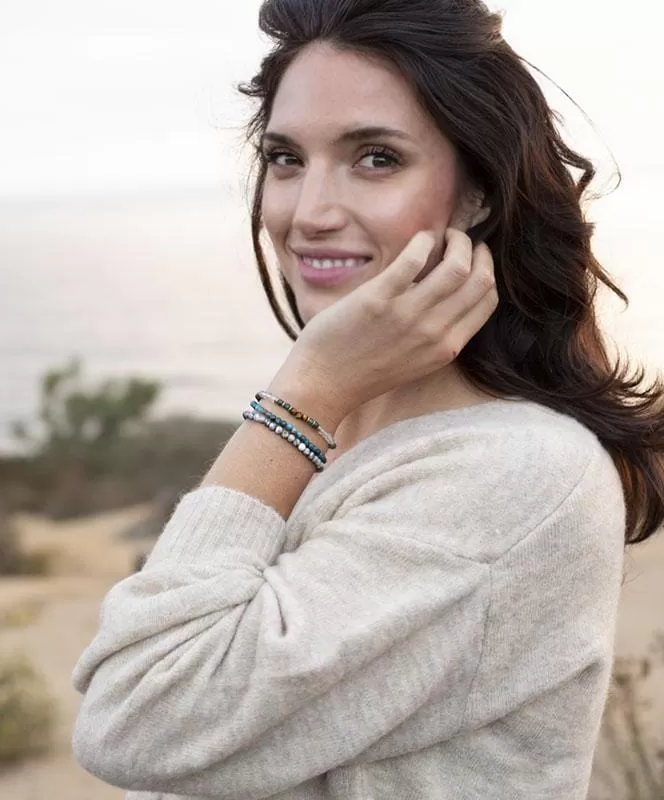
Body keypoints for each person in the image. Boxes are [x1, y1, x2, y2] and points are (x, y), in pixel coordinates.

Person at [71, 0, 664, 798]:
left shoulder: (517, 473)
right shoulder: (338, 432)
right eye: (286, 159)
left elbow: (139, 716)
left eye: (376, 158)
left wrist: (304, 390)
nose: (308, 213)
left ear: (478, 193)